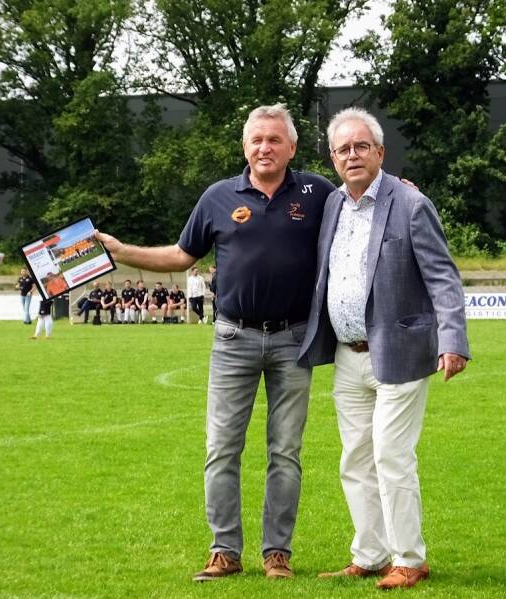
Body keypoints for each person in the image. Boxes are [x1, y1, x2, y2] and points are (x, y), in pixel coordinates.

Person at [96, 103, 336, 581]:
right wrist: (123, 252)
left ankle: (277, 554)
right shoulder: (218, 196)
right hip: (233, 337)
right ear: (244, 146)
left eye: (274, 139)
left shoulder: (318, 193)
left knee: (285, 452)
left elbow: (362, 206)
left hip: (293, 340)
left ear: (291, 147)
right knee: (222, 448)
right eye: (256, 140)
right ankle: (225, 550)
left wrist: (398, 190)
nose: (264, 148)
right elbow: (181, 256)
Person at [298, 108, 470, 590]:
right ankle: (370, 554)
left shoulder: (411, 203)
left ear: (380, 152)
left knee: (391, 455)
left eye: (361, 146)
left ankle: (409, 559)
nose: (352, 155)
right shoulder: (331, 205)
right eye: (343, 149)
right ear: (333, 159)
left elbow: (443, 276)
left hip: (399, 350)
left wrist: (453, 340)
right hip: (346, 355)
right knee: (355, 459)